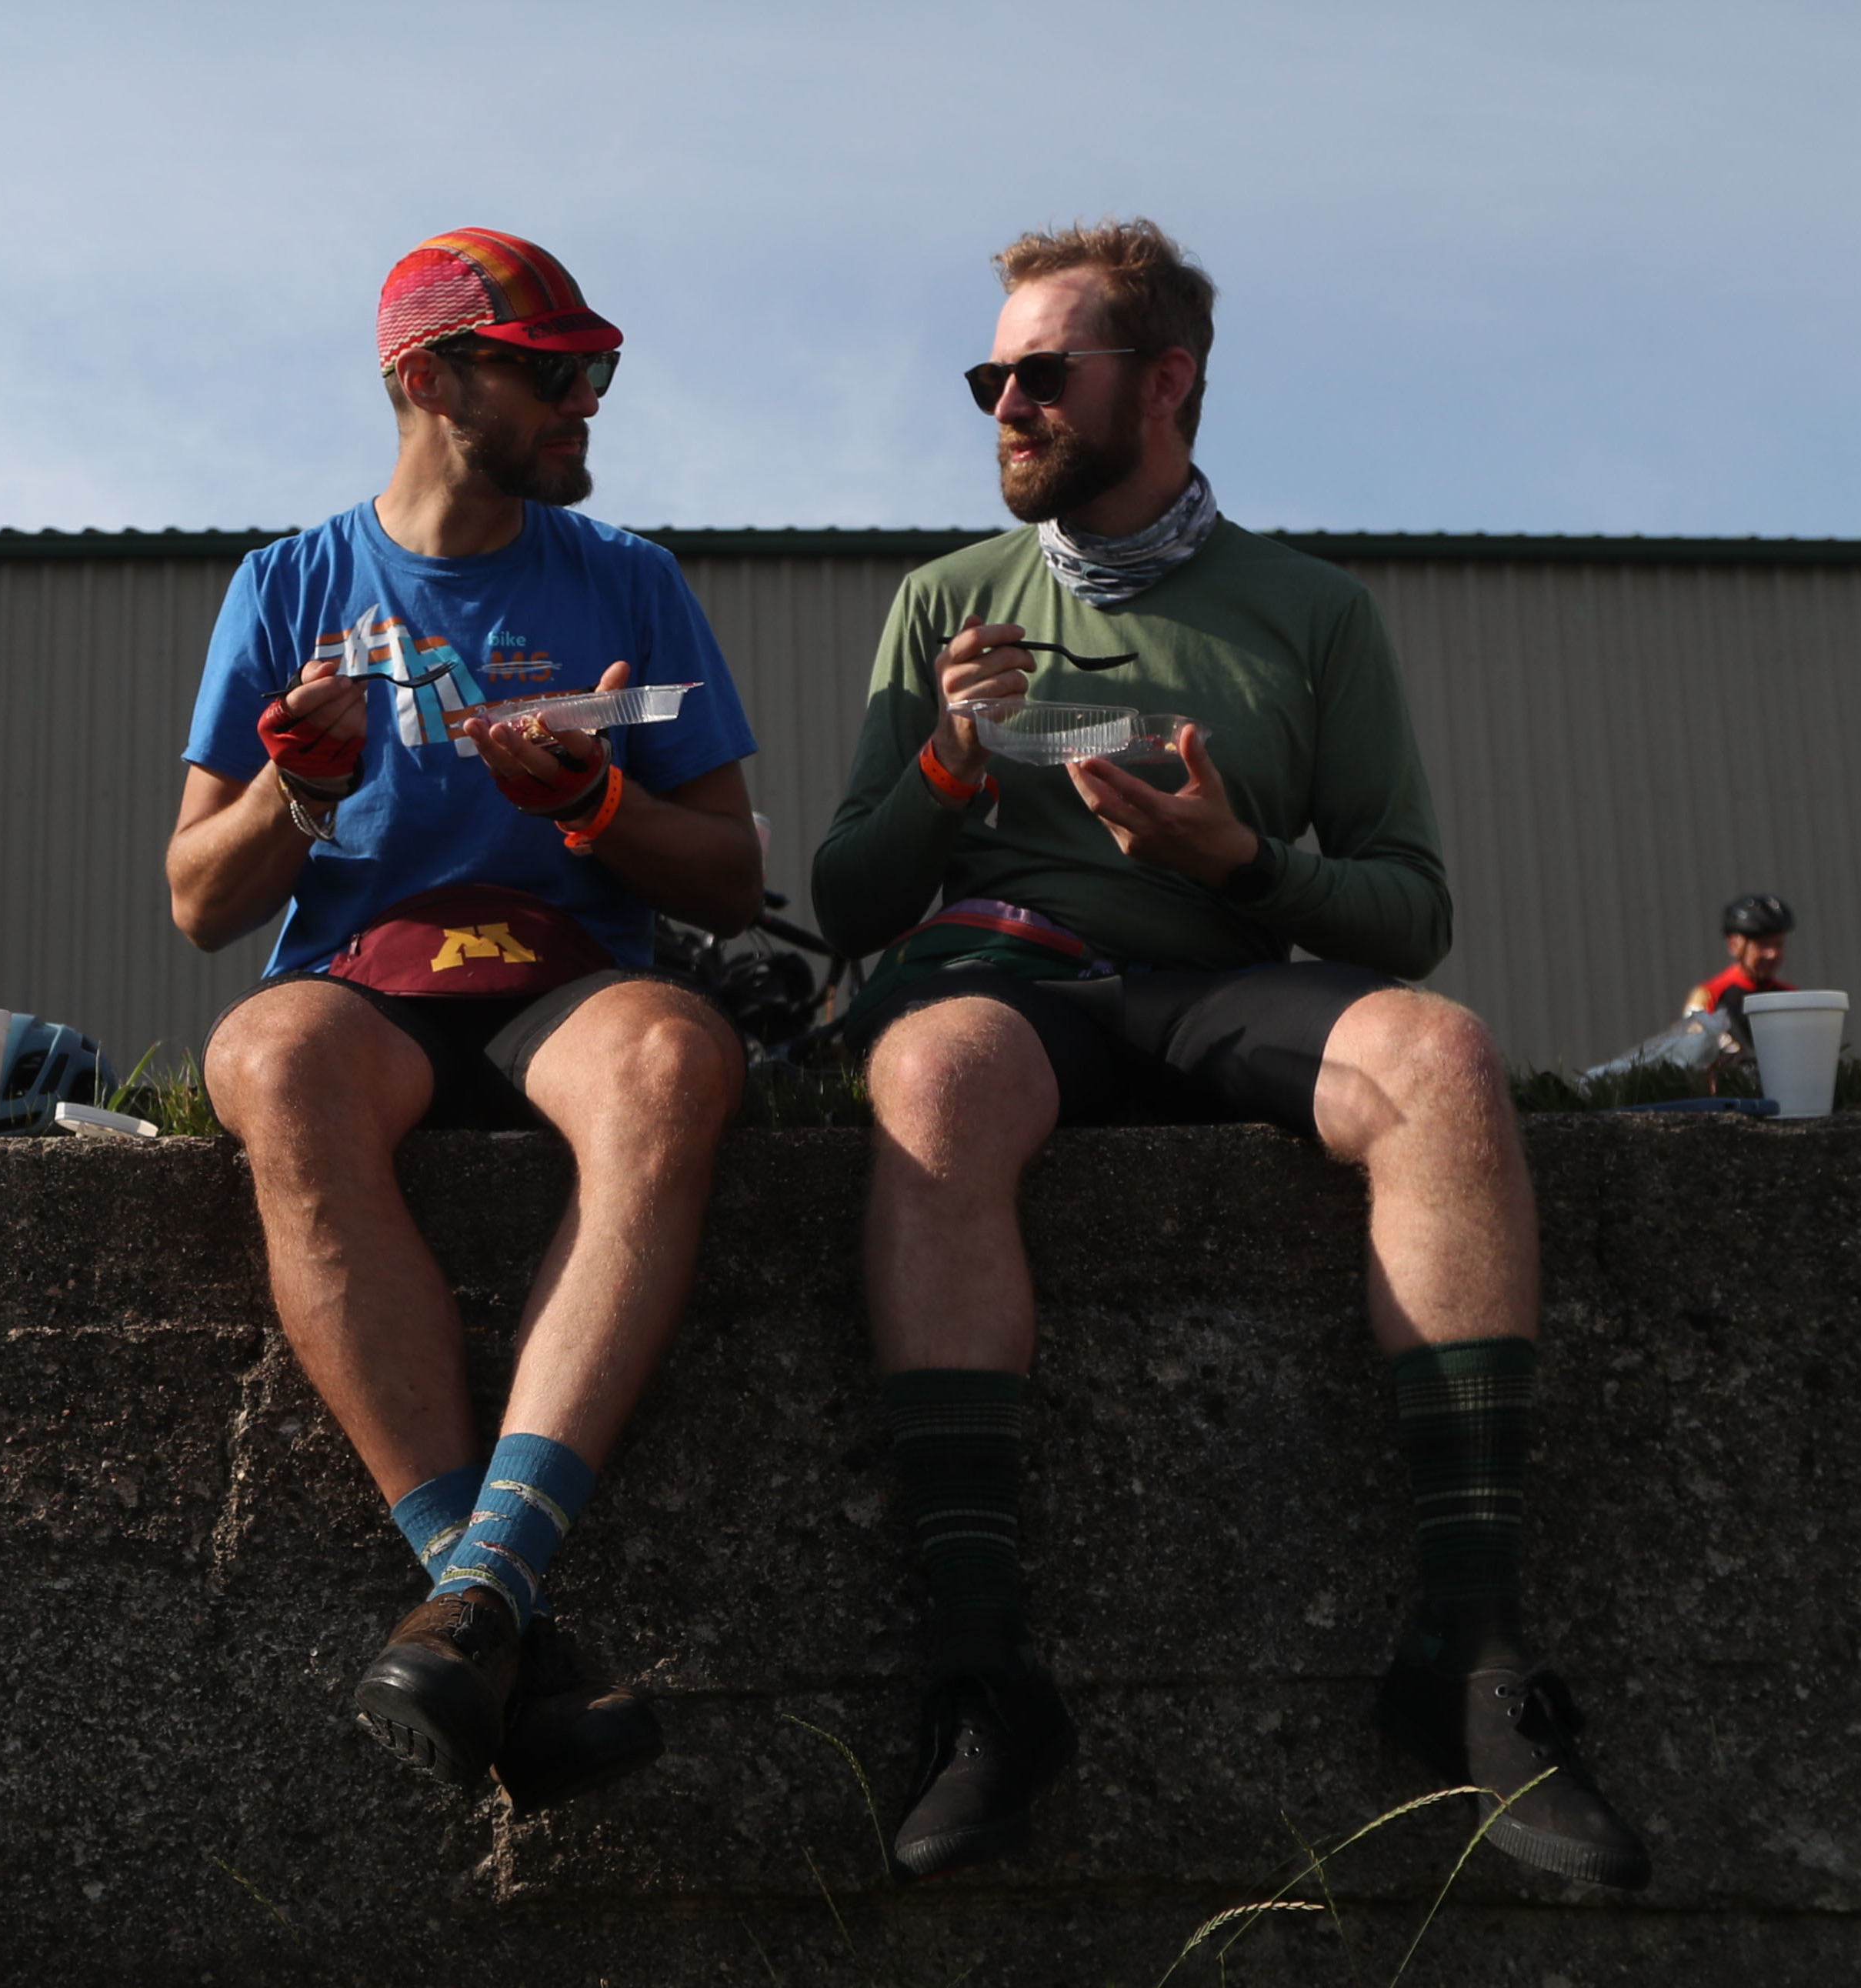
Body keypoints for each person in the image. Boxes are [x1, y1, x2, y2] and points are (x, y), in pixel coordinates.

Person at [815, 217, 1647, 1891]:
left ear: (1170, 381)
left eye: (1043, 372)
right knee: (927, 1075)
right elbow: (846, 896)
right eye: (989, 377)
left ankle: (1471, 1662)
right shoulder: (944, 602)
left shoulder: (1310, 610)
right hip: (1016, 984)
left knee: (1441, 1053)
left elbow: (1408, 906)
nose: (1004, 404)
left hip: (1218, 977)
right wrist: (955, 762)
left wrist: (1238, 865)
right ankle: (986, 1678)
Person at [171, 228, 766, 1813]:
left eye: (598, 372)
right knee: (265, 1057)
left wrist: (596, 796)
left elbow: (731, 870)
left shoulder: (628, 579)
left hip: (569, 973)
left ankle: (477, 1590)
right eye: (557, 372)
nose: (590, 401)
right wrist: (298, 786)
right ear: (434, 382)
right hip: (369, 972)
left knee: (674, 1056)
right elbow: (197, 897)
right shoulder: (287, 583)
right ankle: (504, 1611)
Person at [1684, 892, 1795, 1063]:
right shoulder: (1709, 996)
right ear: (1734, 944)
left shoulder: (1792, 996)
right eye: (1763, 945)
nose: (1772, 954)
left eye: (1778, 944)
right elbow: (1692, 1055)